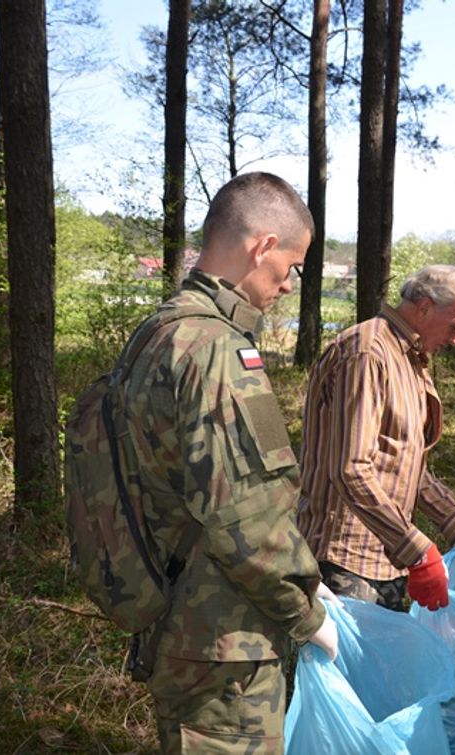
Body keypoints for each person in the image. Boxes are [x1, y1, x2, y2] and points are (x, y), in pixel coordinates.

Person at [119, 172, 337, 753]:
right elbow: (243, 513)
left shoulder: (157, 331)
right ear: (262, 246)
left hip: (176, 613)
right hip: (224, 638)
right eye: (289, 266)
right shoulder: (216, 349)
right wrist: (307, 610)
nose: (289, 284)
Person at [297, 264, 455, 613]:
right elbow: (352, 469)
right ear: (424, 307)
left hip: (387, 555)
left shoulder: (409, 359)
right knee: (350, 667)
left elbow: (402, 460)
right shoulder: (367, 353)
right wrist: (418, 550)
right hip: (345, 560)